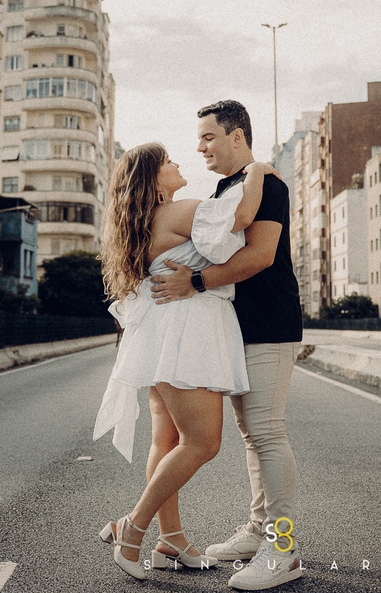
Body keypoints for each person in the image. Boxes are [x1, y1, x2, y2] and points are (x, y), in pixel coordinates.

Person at [93, 143, 275, 580]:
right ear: (153, 179)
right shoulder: (179, 212)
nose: (176, 163)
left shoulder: (147, 221)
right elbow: (241, 217)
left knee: (167, 439)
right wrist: (256, 171)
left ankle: (171, 538)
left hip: (161, 332)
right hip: (186, 333)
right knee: (203, 443)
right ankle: (133, 528)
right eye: (167, 162)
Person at [150, 101, 304, 591]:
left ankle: (283, 549)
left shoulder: (269, 185)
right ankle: (259, 531)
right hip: (237, 329)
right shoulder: (225, 190)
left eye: (209, 137)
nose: (200, 147)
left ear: (237, 136)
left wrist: (194, 282)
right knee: (251, 435)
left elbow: (261, 256)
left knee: (267, 433)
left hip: (269, 323)